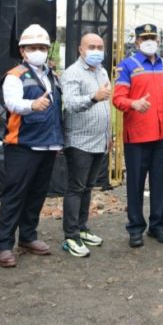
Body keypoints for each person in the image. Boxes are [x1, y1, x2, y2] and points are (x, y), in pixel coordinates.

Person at [0, 24, 64, 267]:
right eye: (33, 47)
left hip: (47, 145)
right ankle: (4, 245)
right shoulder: (15, 76)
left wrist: (58, 140)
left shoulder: (52, 75)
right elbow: (12, 103)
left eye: (42, 47)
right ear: (23, 50)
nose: (38, 51)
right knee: (15, 195)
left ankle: (28, 236)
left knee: (37, 194)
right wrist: (31, 105)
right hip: (22, 145)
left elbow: (56, 109)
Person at [112, 24, 163, 248]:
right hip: (137, 137)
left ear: (158, 40)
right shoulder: (127, 67)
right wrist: (133, 103)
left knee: (161, 183)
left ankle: (158, 226)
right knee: (135, 183)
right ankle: (135, 228)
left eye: (153, 37)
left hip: (162, 136)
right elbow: (117, 98)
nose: (150, 41)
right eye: (145, 38)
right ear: (137, 42)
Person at [60, 33, 112, 258]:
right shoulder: (72, 72)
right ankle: (70, 235)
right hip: (79, 141)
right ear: (81, 49)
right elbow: (70, 104)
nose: (97, 50)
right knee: (76, 188)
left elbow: (106, 104)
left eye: (100, 46)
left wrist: (108, 134)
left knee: (88, 187)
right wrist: (93, 97)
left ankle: (82, 227)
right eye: (91, 46)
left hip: (99, 140)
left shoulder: (101, 70)